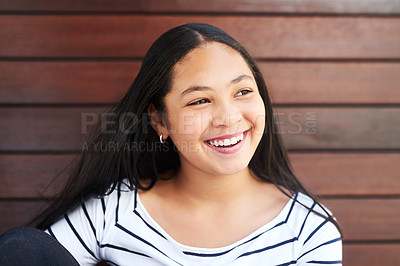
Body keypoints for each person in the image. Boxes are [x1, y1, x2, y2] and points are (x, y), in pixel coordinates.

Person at [0, 23, 342, 265]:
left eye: (242, 92)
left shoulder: (308, 229)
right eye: (199, 101)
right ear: (160, 120)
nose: (228, 117)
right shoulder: (115, 211)